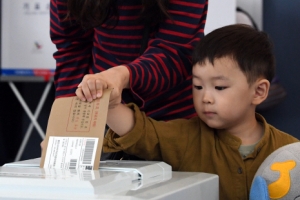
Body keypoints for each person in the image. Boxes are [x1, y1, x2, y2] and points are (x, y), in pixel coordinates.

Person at [101, 24, 299, 199]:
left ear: (258, 91)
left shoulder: (290, 151)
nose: (206, 98)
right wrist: (108, 103)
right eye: (198, 86)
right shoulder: (185, 137)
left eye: (219, 87)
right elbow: (140, 132)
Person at [51, 0, 208, 121]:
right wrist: (64, 120)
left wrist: (123, 75)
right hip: (102, 113)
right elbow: (72, 49)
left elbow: (175, 50)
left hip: (172, 116)